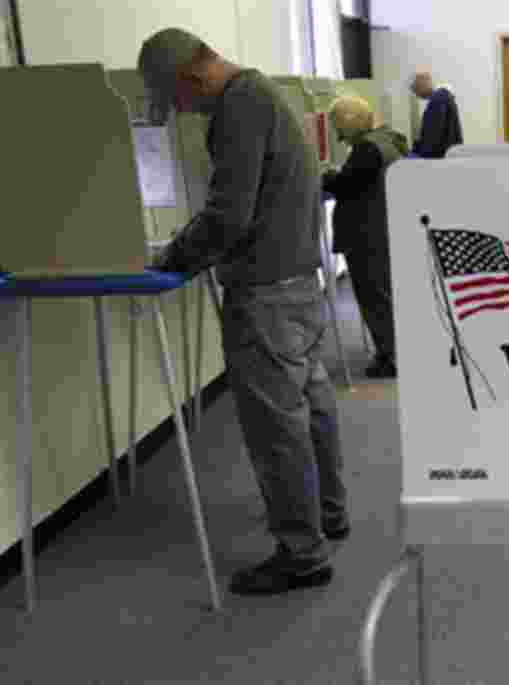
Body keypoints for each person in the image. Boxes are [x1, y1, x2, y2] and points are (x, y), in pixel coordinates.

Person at [137, 28, 349, 596]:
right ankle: (327, 514)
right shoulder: (263, 97)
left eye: (179, 99)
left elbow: (229, 214)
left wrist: (174, 255)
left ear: (194, 76)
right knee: (310, 405)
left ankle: (302, 553)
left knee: (276, 424)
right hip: (299, 280)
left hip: (266, 291)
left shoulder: (238, 108)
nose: (183, 112)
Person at [322, 95, 409, 379]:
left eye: (336, 124)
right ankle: (395, 351)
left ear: (348, 123)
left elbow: (346, 184)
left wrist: (322, 177)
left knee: (374, 298)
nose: (335, 133)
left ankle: (391, 358)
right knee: (385, 295)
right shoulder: (388, 140)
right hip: (384, 227)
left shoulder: (366, 150)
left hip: (367, 234)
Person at [409, 69, 463, 158]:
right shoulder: (444, 97)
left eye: (415, 88)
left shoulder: (437, 100)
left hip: (440, 159)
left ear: (423, 83)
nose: (416, 94)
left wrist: (421, 156)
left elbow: (432, 137)